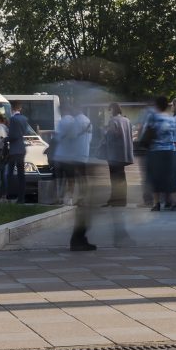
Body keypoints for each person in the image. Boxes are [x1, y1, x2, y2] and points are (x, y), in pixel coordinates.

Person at [56, 104, 96, 250]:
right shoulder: (87, 120)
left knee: (75, 183)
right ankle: (79, 240)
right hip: (83, 155)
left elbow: (70, 137)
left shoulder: (75, 121)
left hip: (74, 157)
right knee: (84, 189)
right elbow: (89, 139)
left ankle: (72, 198)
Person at [142, 97, 176, 212]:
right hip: (170, 151)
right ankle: (173, 202)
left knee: (155, 177)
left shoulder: (152, 117)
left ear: (156, 106)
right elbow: (174, 133)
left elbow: (145, 131)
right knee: (170, 177)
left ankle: (156, 204)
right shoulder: (171, 118)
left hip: (156, 151)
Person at [104, 103, 134, 207]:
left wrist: (105, 132)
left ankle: (115, 200)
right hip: (124, 153)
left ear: (113, 109)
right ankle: (122, 200)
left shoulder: (113, 121)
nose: (109, 113)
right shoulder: (127, 120)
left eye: (110, 110)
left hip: (114, 153)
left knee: (114, 177)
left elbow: (113, 134)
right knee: (122, 177)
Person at [6, 103, 32, 201]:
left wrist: (5, 139)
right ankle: (21, 196)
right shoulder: (24, 118)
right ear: (20, 108)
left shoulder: (13, 119)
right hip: (22, 148)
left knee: (10, 173)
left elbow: (13, 135)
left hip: (14, 149)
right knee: (21, 174)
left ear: (12, 108)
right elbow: (24, 132)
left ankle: (11, 194)